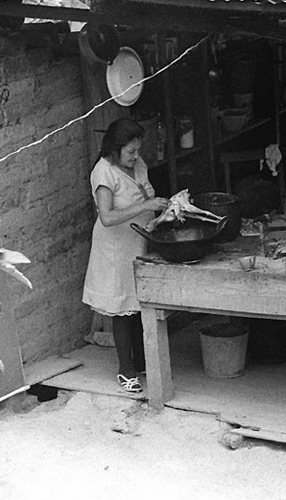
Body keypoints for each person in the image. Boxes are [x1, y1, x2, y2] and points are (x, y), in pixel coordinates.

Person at [82, 118, 168, 393]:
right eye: (130, 151)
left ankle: (142, 361)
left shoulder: (136, 163)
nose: (135, 155)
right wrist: (146, 205)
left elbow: (142, 191)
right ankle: (126, 371)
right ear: (115, 148)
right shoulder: (104, 173)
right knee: (122, 307)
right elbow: (107, 217)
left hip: (138, 240)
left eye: (137, 149)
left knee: (140, 302)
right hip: (115, 247)